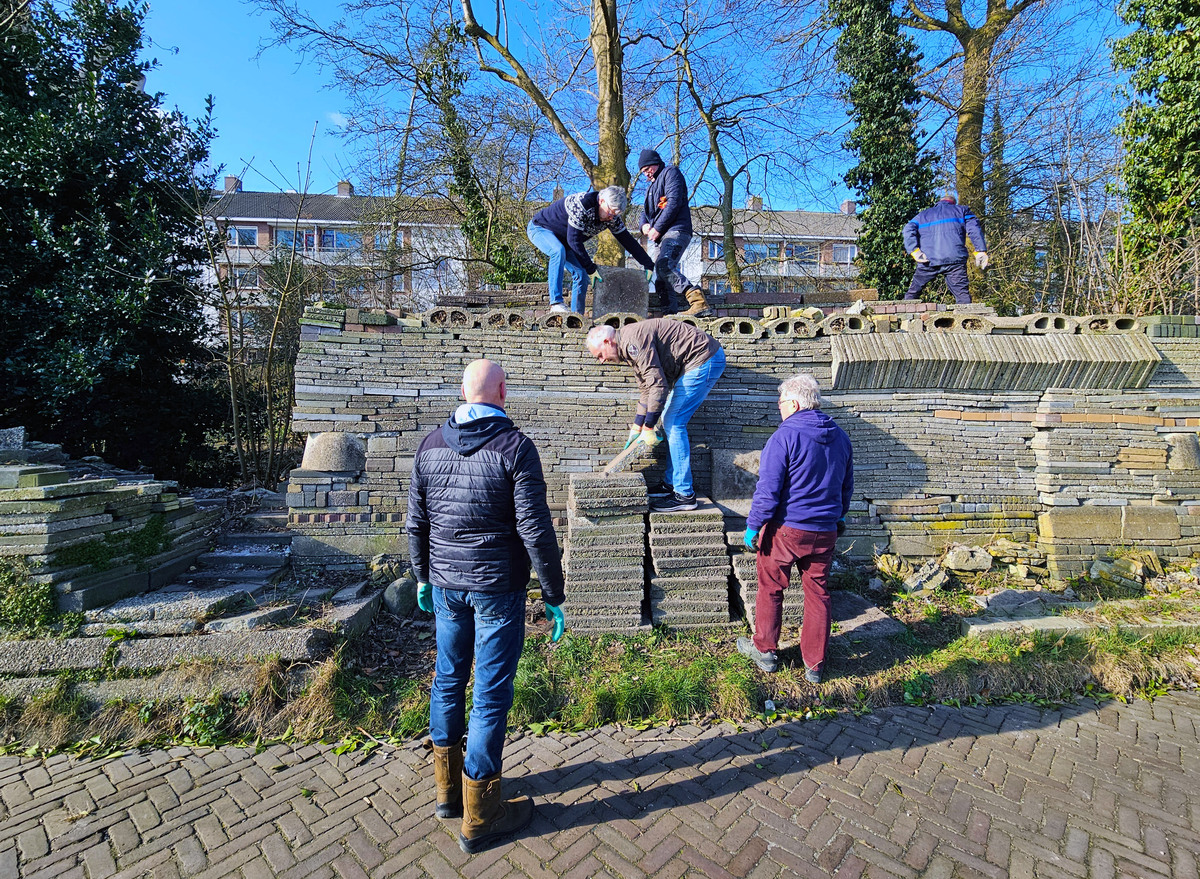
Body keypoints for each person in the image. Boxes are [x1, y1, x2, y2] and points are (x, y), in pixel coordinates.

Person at [407, 359, 566, 854]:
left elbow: (416, 521)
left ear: (462, 392)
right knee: (490, 695)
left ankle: (447, 794)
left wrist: (422, 575)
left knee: (448, 679)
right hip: (497, 587)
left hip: (446, 585)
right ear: (502, 392)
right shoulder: (515, 447)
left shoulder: (430, 444)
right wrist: (553, 594)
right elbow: (535, 528)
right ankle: (481, 814)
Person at [737, 374, 853, 684]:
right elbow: (846, 487)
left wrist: (753, 526)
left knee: (771, 587)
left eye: (780, 403)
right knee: (818, 593)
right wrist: (839, 517)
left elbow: (768, 490)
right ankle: (815, 664)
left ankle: (765, 650)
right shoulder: (841, 438)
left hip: (787, 530)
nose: (779, 408)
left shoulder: (784, 437)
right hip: (825, 530)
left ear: (794, 403)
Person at [586, 319, 725, 512]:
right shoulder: (627, 345)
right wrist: (637, 427)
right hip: (698, 360)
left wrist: (649, 427)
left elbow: (658, 386)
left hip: (704, 358)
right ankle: (671, 484)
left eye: (600, 355)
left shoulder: (632, 342)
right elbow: (646, 390)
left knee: (674, 422)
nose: (602, 361)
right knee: (670, 420)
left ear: (607, 342)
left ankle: (685, 495)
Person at [527, 185, 655, 315]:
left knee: (582, 275)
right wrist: (591, 268)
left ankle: (576, 317)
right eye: (610, 212)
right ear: (602, 201)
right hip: (540, 228)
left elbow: (627, 240)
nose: (611, 218)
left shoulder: (612, 219)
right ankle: (556, 303)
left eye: (615, 215)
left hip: (566, 242)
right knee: (557, 251)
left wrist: (648, 263)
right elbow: (574, 240)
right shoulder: (582, 204)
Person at [636, 148, 714, 317]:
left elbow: (674, 202)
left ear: (656, 163)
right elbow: (645, 212)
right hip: (662, 237)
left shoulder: (671, 173)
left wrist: (657, 228)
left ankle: (698, 302)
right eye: (643, 172)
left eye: (648, 169)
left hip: (677, 230)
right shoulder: (651, 188)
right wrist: (643, 226)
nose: (646, 173)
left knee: (664, 266)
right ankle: (669, 314)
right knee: (660, 276)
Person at [902, 194, 988, 304]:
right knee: (962, 296)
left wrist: (914, 250)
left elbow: (907, 229)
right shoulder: (962, 211)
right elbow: (974, 230)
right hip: (955, 259)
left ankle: (905, 313)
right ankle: (966, 314)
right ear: (953, 203)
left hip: (928, 259)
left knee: (913, 293)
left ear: (938, 202)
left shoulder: (922, 215)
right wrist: (980, 250)